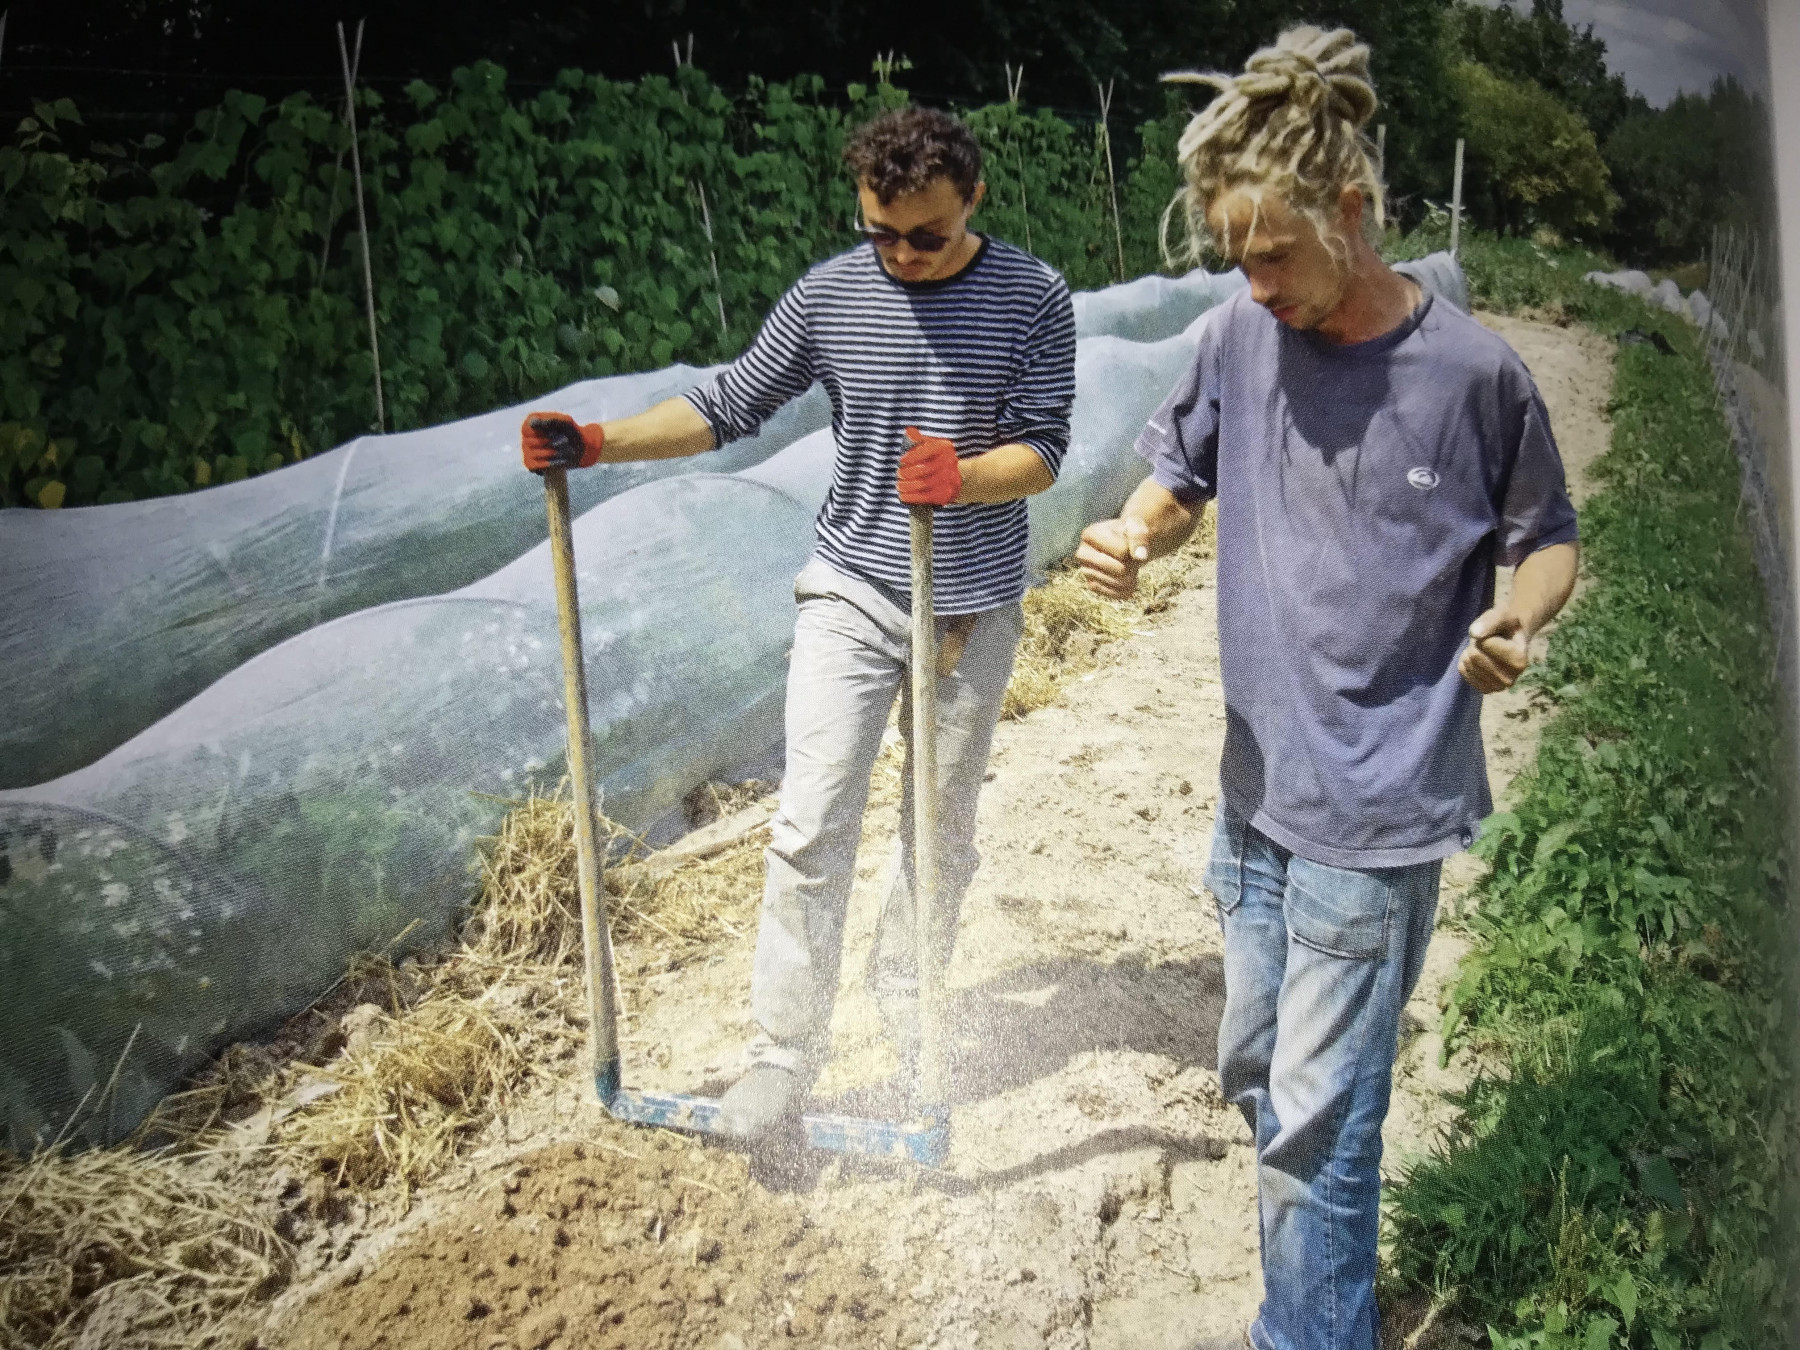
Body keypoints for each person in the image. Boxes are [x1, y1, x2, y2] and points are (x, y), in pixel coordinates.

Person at [1076, 27, 1579, 1350]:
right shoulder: (1237, 334)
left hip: (1378, 807)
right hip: (1257, 796)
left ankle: (1309, 1331)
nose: (1255, 283)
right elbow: (1177, 481)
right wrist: (1135, 536)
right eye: (1236, 259)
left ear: (1349, 212)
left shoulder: (1474, 376)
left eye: (1273, 254)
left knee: (1312, 1128)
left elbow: (1549, 536)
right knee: (1257, 1074)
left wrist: (1516, 617)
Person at [521, 106, 1077, 1139]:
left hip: (970, 606)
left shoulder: (1032, 296)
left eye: (929, 235)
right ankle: (783, 1056)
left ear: (975, 203)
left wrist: (961, 475)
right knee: (811, 821)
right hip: (858, 589)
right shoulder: (830, 293)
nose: (903, 256)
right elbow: (728, 402)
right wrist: (597, 442)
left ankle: (913, 1004)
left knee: (939, 833)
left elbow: (1043, 449)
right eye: (883, 232)